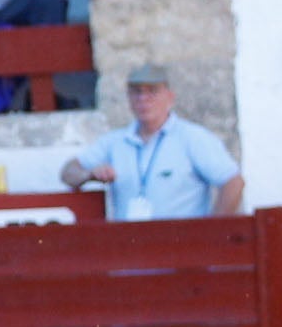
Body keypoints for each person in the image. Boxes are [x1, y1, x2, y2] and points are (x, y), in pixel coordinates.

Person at [61, 62, 245, 217]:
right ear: (129, 98)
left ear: (169, 97)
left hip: (182, 248)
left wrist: (215, 232)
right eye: (137, 92)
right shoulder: (115, 142)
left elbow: (233, 181)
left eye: (152, 91)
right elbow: (68, 172)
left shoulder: (192, 138)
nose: (143, 99)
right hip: (132, 248)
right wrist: (90, 174)